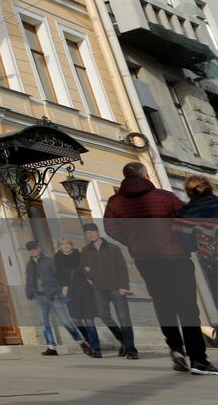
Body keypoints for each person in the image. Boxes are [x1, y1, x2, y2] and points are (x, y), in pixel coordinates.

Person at [104, 161, 217, 375]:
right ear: (146, 176)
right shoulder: (165, 197)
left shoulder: (115, 202)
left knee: (163, 305)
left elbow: (111, 229)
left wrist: (134, 242)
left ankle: (176, 350)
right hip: (174, 257)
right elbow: (185, 221)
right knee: (187, 308)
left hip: (146, 261)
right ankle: (198, 360)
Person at [80, 222, 136, 358]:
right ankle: (123, 340)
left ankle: (131, 350)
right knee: (103, 314)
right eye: (87, 233)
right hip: (98, 289)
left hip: (117, 288)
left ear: (97, 232)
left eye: (92, 231)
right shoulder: (86, 250)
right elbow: (84, 268)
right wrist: (88, 273)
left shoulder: (113, 248)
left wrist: (124, 287)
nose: (90, 234)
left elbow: (122, 268)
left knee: (124, 319)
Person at [54, 237, 102, 358]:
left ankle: (96, 348)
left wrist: (89, 271)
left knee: (89, 320)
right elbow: (58, 275)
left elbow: (89, 269)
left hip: (84, 289)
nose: (65, 246)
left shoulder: (80, 256)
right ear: (59, 247)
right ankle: (89, 343)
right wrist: (64, 286)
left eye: (67, 243)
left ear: (71, 245)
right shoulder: (57, 259)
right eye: (62, 244)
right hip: (70, 292)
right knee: (76, 320)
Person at [176, 175, 218, 308]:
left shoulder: (184, 212)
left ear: (188, 191)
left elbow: (186, 244)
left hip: (209, 264)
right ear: (209, 187)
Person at [24, 241, 66, 355]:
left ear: (39, 248)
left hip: (52, 295)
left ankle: (83, 342)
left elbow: (58, 276)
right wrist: (29, 293)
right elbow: (29, 280)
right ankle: (51, 347)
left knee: (66, 321)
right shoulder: (29, 265)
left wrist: (58, 290)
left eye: (34, 248)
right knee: (44, 322)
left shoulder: (49, 261)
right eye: (30, 250)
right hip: (39, 297)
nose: (33, 251)